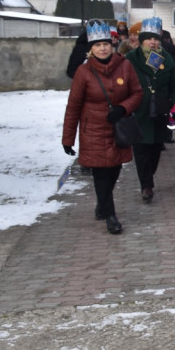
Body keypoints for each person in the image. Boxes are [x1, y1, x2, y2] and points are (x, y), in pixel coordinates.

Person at [62, 19, 143, 235]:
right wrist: (68, 139)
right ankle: (110, 215)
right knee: (100, 174)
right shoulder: (83, 71)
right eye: (97, 45)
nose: (103, 48)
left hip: (118, 129)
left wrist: (123, 108)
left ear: (112, 44)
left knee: (114, 169)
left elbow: (137, 93)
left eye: (106, 43)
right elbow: (73, 106)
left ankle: (102, 203)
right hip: (93, 130)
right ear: (91, 49)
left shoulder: (125, 66)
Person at [126, 17, 175, 204]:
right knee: (141, 150)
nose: (153, 42)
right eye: (149, 39)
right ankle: (146, 185)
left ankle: (149, 177)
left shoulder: (165, 58)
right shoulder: (132, 59)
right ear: (142, 40)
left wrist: (174, 103)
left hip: (160, 109)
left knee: (156, 148)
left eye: (156, 38)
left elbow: (173, 85)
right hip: (140, 111)